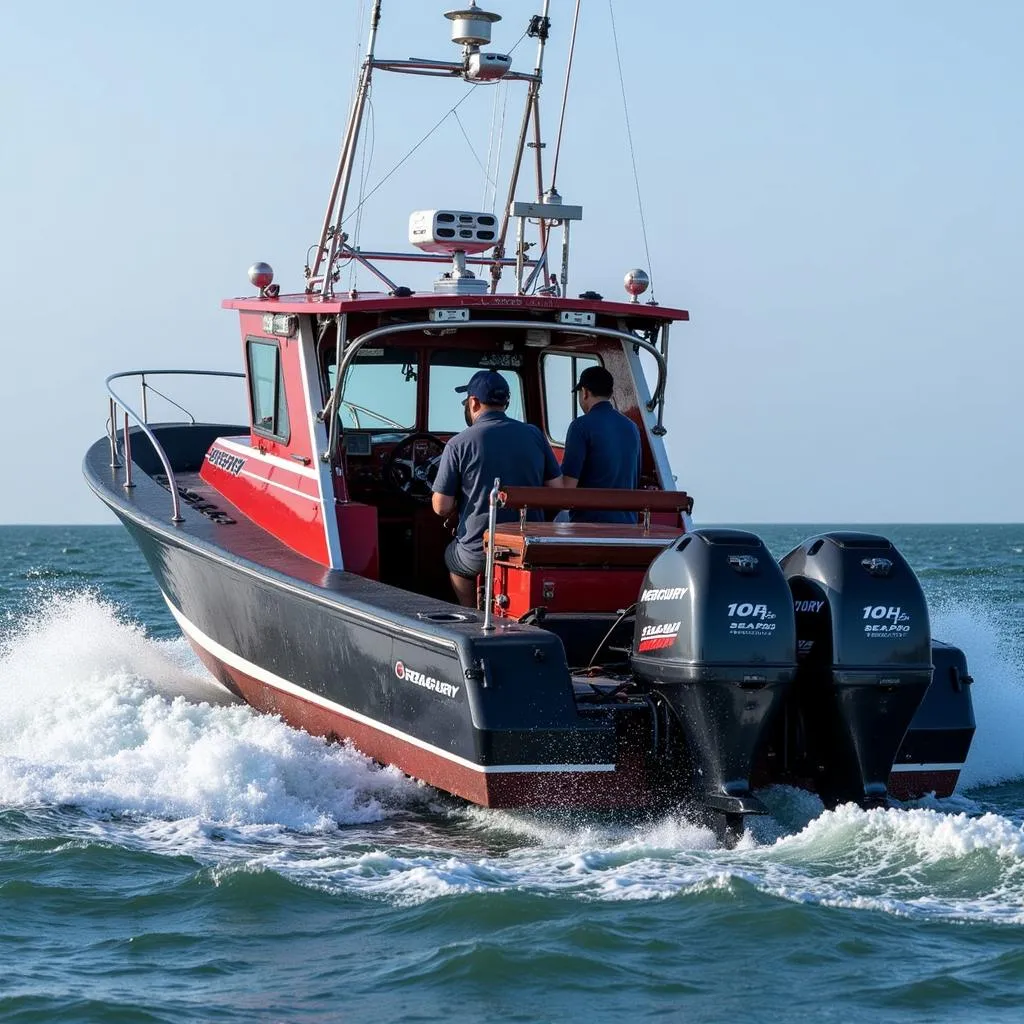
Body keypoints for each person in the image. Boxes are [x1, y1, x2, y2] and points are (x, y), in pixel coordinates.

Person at [432, 370, 562, 606]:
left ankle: (470, 612)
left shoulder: (458, 444)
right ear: (506, 402)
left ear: (473, 402)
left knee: (454, 559)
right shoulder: (535, 435)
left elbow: (442, 507)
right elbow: (557, 489)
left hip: (480, 553)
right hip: (529, 548)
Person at [561, 365, 641, 524]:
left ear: (584, 392)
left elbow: (566, 489)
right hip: (628, 528)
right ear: (610, 394)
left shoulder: (580, 426)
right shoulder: (632, 428)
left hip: (590, 527)